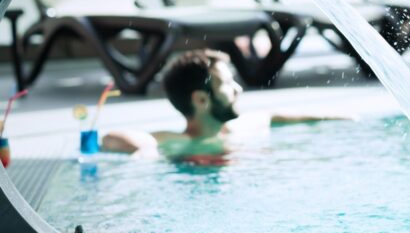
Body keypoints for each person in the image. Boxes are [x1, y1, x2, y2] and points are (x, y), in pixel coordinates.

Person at [102, 49, 344, 163]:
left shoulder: (240, 128)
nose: (238, 89)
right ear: (201, 99)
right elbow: (110, 138)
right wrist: (144, 148)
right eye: (228, 84)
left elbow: (271, 116)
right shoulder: (181, 142)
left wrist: (333, 118)